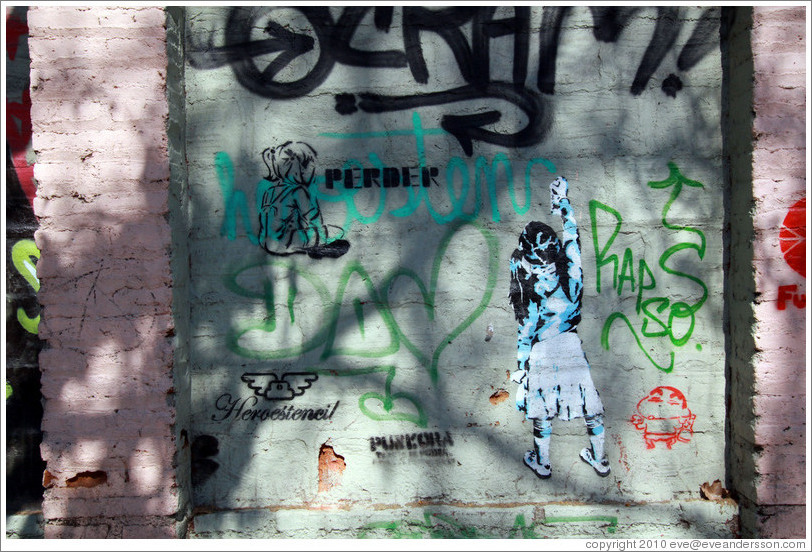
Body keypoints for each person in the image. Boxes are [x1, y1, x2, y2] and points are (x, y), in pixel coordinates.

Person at [508, 176, 609, 479]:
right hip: (570, 344)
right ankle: (599, 457)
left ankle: (542, 461)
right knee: (588, 403)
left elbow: (525, 328)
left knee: (541, 411)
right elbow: (573, 238)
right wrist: (562, 203)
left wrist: (521, 364)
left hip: (541, 350)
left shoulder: (530, 286)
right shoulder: (572, 272)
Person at [258, 141, 349, 259]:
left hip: (267, 242)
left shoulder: (270, 191)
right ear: (300, 169)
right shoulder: (299, 191)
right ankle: (317, 248)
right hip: (287, 242)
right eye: (309, 167)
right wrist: (321, 237)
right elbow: (313, 217)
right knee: (338, 232)